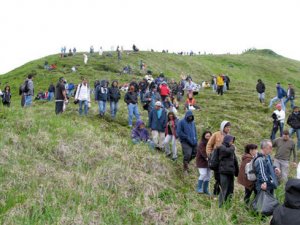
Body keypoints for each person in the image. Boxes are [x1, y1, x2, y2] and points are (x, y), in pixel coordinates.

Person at [206, 121, 231, 195]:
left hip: (225, 161)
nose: (228, 129)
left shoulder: (229, 136)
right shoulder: (216, 134)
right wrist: (209, 155)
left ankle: (222, 193)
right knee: (217, 177)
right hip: (216, 159)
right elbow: (209, 145)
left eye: (229, 127)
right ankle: (216, 193)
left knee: (223, 178)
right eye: (227, 127)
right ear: (223, 127)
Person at [217, 135, 239, 207]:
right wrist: (233, 147)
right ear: (227, 140)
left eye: (233, 141)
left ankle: (228, 204)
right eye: (231, 140)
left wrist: (237, 172)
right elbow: (227, 152)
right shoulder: (222, 147)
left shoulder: (231, 149)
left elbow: (235, 161)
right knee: (224, 189)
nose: (232, 142)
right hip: (223, 172)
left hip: (230, 172)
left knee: (230, 189)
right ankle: (220, 206)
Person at [177, 110, 198, 175]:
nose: (190, 117)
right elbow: (179, 132)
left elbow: (195, 131)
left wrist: (196, 139)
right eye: (189, 116)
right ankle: (185, 169)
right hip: (185, 141)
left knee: (195, 152)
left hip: (194, 141)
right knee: (188, 154)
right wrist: (187, 137)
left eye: (191, 116)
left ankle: (186, 162)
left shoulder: (193, 123)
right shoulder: (181, 122)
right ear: (186, 116)